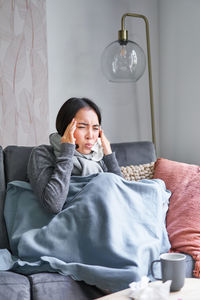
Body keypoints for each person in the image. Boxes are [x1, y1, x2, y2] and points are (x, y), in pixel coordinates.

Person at [27, 97, 122, 214]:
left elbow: (122, 197)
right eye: (82, 127)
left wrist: (109, 155)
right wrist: (66, 151)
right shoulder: (43, 154)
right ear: (65, 128)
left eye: (95, 128)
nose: (91, 135)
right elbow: (53, 205)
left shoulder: (99, 159)